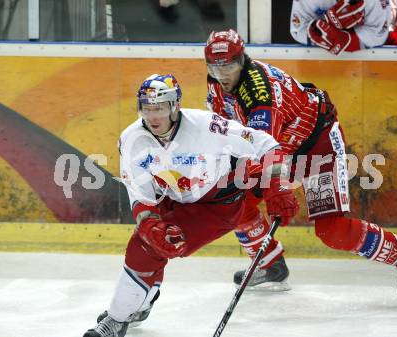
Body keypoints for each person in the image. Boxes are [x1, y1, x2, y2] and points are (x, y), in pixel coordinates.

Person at [204, 28, 397, 301]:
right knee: (232, 199)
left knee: (331, 230)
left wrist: (275, 190)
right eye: (215, 67)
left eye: (229, 65)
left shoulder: (258, 92)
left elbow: (264, 146)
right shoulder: (215, 83)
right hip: (282, 147)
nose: (223, 74)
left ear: (243, 60)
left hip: (317, 143)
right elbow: (229, 133)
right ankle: (270, 264)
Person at [82, 73, 299, 337]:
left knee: (149, 248)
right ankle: (134, 305)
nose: (152, 117)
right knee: (150, 240)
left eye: (159, 108)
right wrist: (149, 223)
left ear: (174, 106)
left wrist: (278, 184)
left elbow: (264, 143)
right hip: (170, 196)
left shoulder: (207, 126)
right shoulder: (131, 138)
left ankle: (118, 318)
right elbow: (140, 191)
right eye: (147, 109)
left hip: (216, 204)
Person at [290, 0, 391, 55]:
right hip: (321, 64)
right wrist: (314, 33)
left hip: (367, 64)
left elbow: (378, 34)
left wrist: (346, 40)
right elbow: (298, 30)